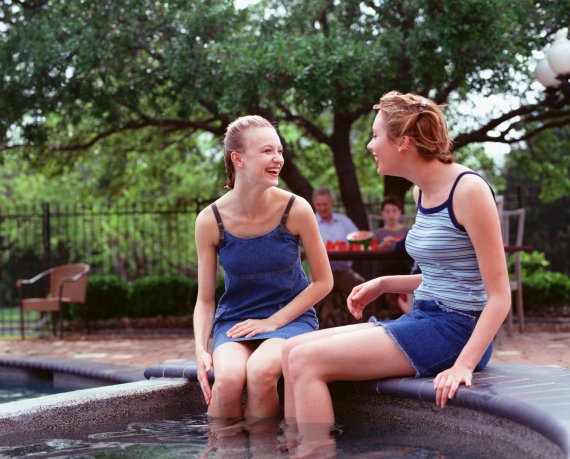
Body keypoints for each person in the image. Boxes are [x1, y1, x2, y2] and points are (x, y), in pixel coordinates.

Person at [282, 91, 511, 454]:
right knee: (290, 350)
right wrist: (384, 283)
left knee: (306, 361)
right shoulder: (422, 192)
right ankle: (297, 450)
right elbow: (444, 275)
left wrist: (462, 366)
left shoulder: (468, 191)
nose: (371, 145)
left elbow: (499, 296)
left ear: (402, 142)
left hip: (457, 331)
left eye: (375, 136)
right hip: (424, 318)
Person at [193, 115, 333, 420]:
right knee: (228, 379)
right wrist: (201, 350)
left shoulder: (297, 209)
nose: (278, 159)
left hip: (290, 319)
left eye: (279, 151)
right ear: (238, 159)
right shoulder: (209, 220)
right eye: (267, 151)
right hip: (235, 321)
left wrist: (272, 321)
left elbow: (323, 282)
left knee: (259, 372)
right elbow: (205, 299)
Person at [312, 188, 365, 325]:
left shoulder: (343, 221)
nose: (322, 208)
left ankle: (361, 322)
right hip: (321, 273)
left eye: (325, 204)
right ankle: (328, 326)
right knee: (321, 296)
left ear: (332, 203)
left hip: (344, 271)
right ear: (314, 205)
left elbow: (358, 239)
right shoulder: (310, 222)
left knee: (362, 288)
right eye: (319, 205)